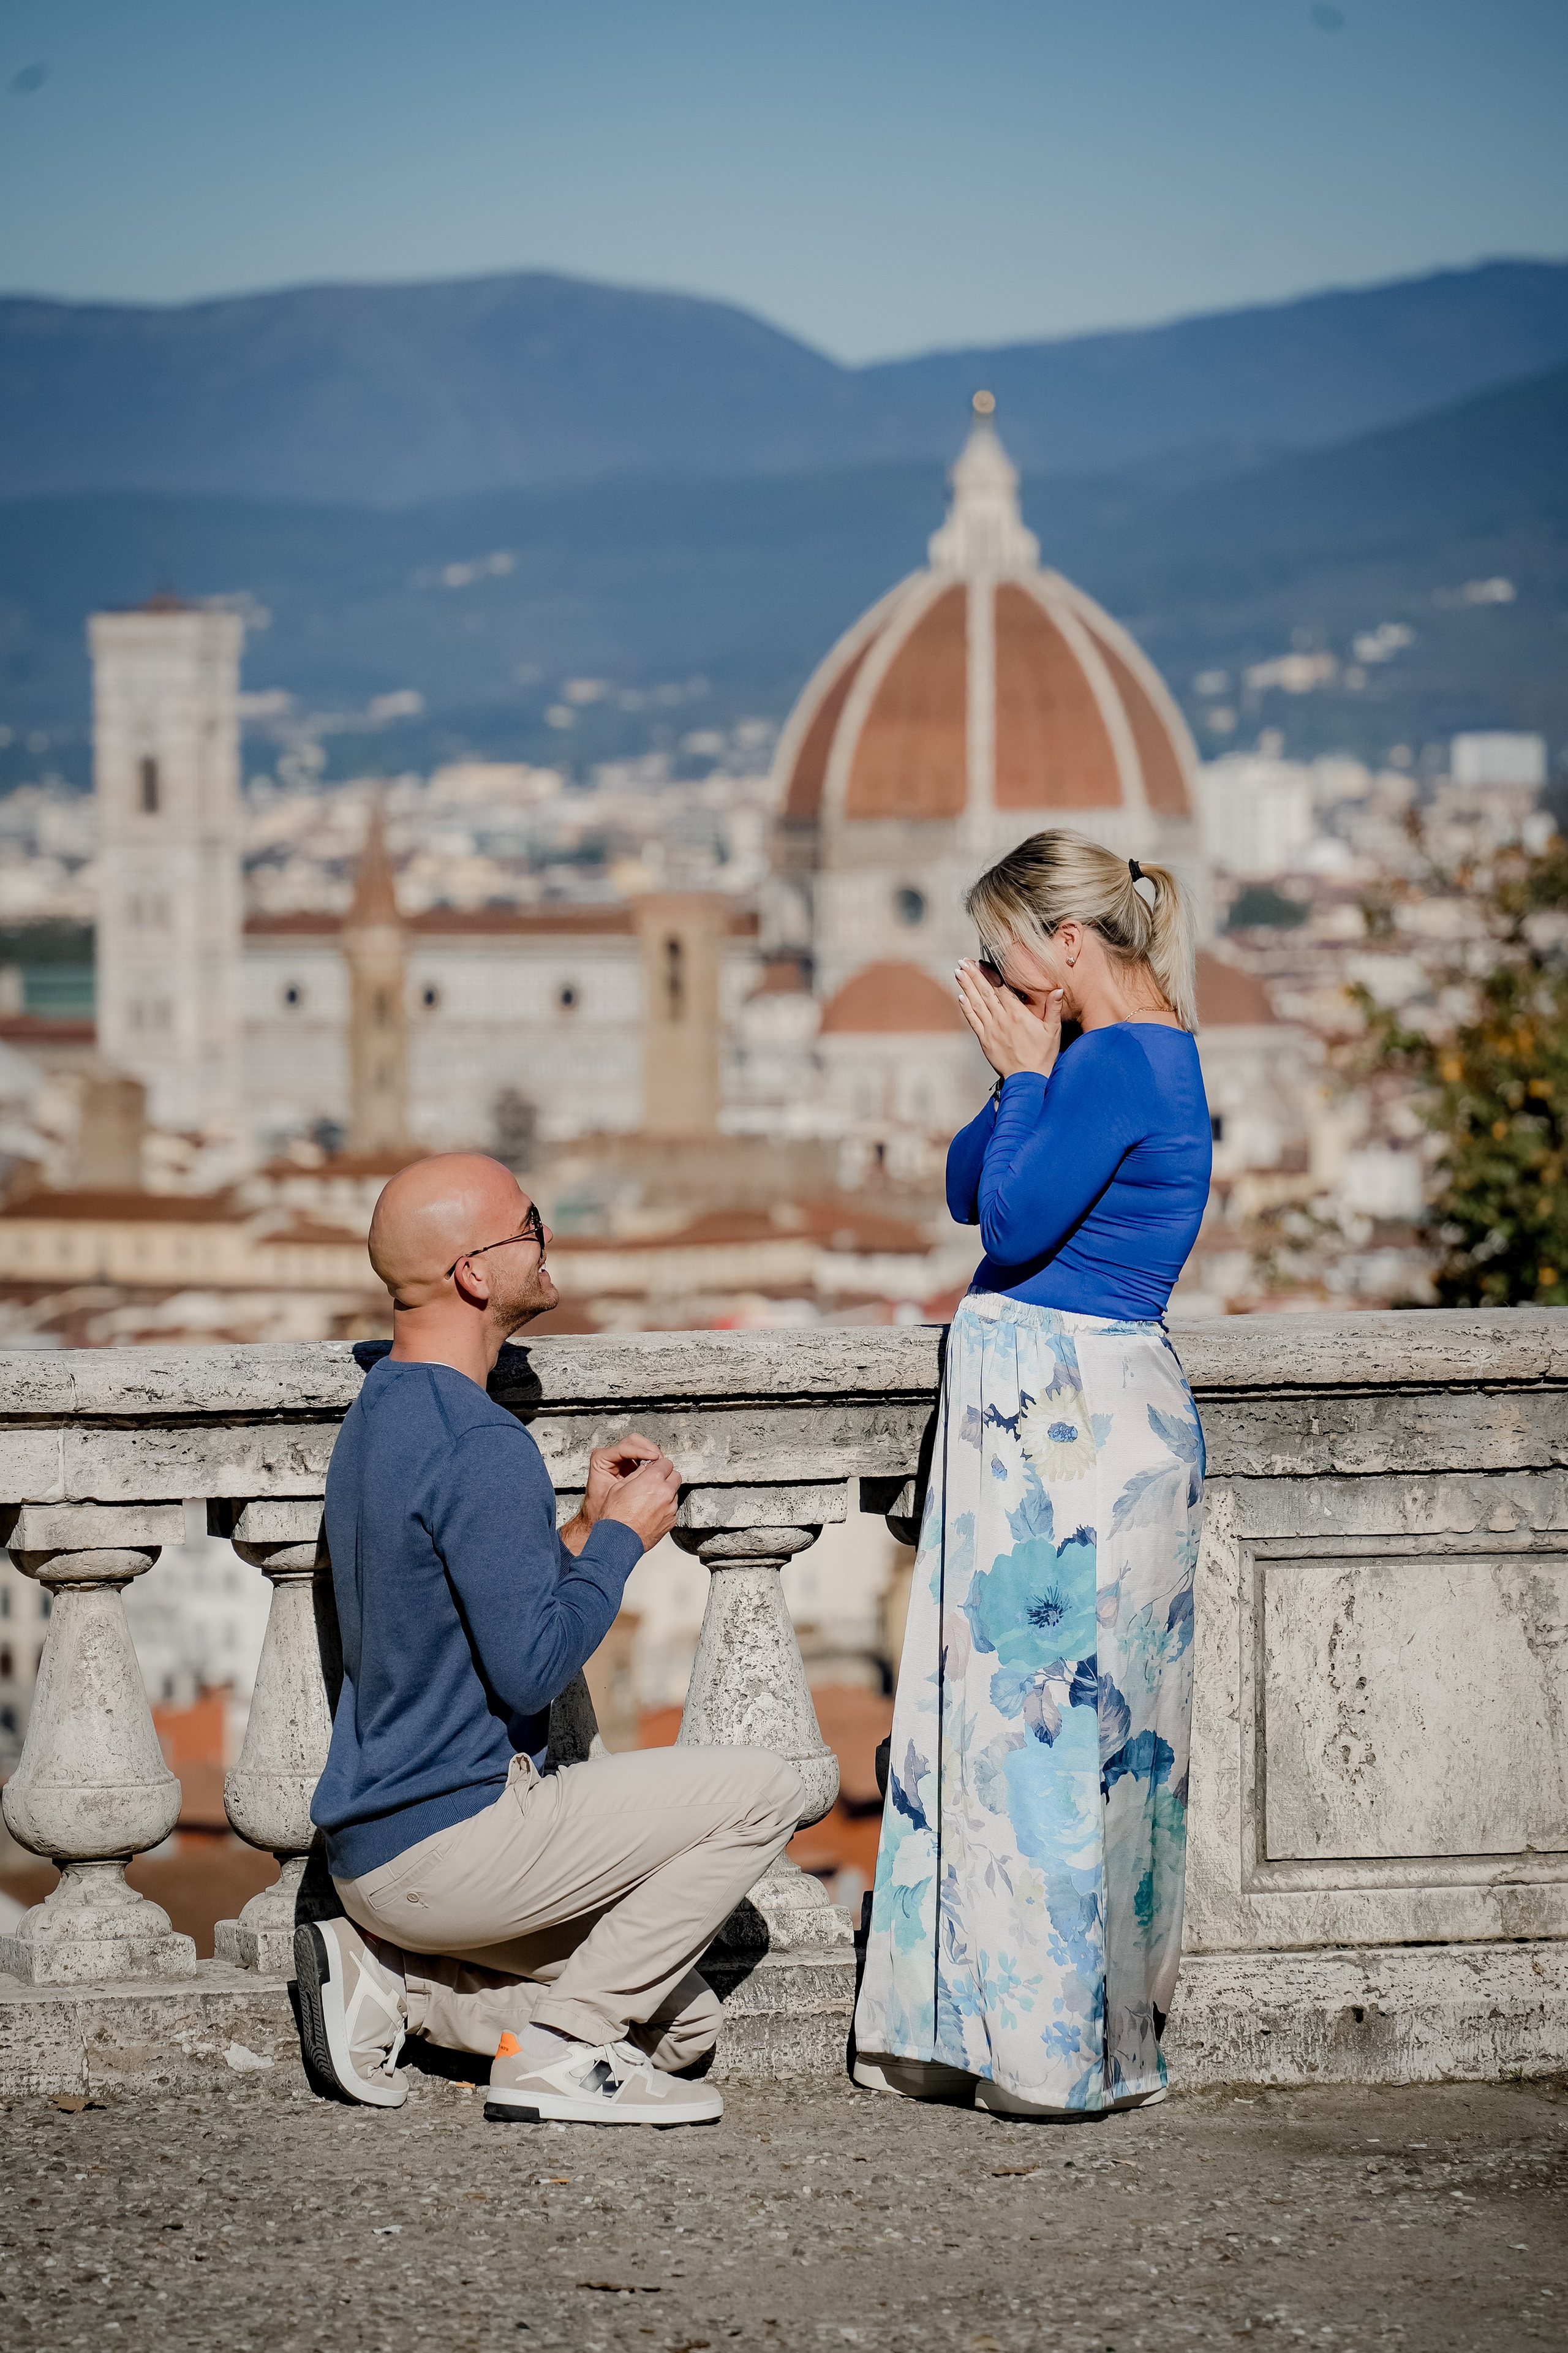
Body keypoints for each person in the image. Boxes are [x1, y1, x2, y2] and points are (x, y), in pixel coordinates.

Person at [295, 1151, 802, 2127]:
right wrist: (622, 1539)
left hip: (372, 1856)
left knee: (683, 2024)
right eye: (529, 1221)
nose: (547, 1235)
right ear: (476, 1274)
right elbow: (532, 1665)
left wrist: (572, 1533)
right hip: (455, 1840)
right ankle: (560, 2056)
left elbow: (459, 1595)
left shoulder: (385, 1405)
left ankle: (400, 1988)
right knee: (767, 1790)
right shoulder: (483, 1442)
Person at [853, 829, 1210, 2120]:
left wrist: (1023, 1081)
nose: (992, 973)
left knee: (1044, 1736)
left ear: (1064, 942)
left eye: (1005, 945)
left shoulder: (1122, 1060)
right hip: (1059, 1415)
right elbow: (966, 1187)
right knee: (1046, 1734)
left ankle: (1048, 2051)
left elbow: (1007, 1224)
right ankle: (1023, 2034)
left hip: (1062, 1422)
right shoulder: (1110, 1056)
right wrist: (1018, 1073)